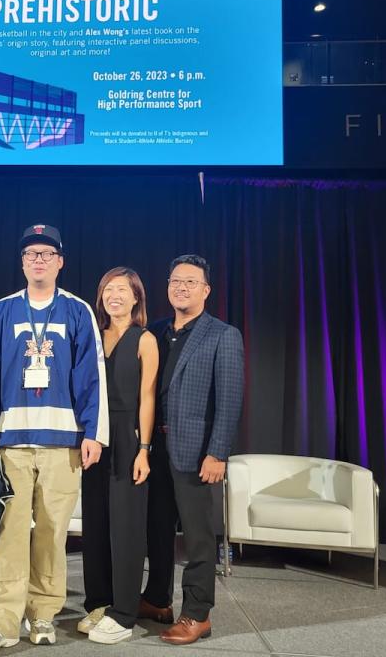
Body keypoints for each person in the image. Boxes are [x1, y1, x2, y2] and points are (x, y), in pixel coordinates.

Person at [0, 224, 108, 657]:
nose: (39, 260)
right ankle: (1, 621)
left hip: (64, 441)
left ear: (61, 261)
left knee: (51, 533)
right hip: (10, 440)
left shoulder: (78, 311)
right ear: (23, 262)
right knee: (9, 531)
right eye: (32, 254)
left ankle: (43, 611)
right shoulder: (1, 311)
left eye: (47, 253)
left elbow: (92, 376)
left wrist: (95, 434)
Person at [141, 254, 244, 646]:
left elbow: (230, 398)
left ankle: (198, 614)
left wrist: (217, 453)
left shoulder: (222, 334)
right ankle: (157, 599)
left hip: (197, 451)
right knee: (157, 529)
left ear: (206, 290)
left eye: (190, 282)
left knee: (199, 536)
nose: (181, 288)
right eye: (175, 281)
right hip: (155, 449)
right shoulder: (155, 332)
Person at [79, 267, 158, 644]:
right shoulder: (92, 335)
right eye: (108, 288)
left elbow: (147, 397)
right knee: (95, 525)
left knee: (126, 529)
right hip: (95, 436)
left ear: (136, 297)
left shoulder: (145, 339)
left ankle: (124, 613)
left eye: (122, 289)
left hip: (129, 437)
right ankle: (98, 603)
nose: (115, 295)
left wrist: (144, 450)